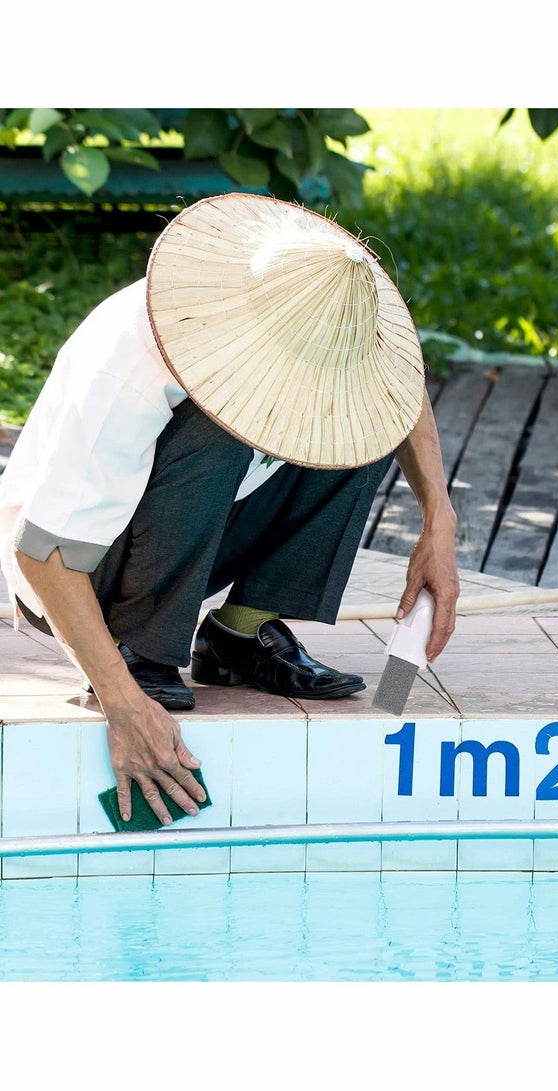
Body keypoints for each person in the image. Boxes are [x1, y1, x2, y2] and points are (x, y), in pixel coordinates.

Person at [0, 193, 460, 827]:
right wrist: (121, 700)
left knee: (364, 421)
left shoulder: (332, 313)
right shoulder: (128, 363)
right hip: (82, 575)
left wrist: (439, 523)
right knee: (220, 428)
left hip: (196, 528)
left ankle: (238, 637)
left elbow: (398, 391)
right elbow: (44, 553)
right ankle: (143, 647)